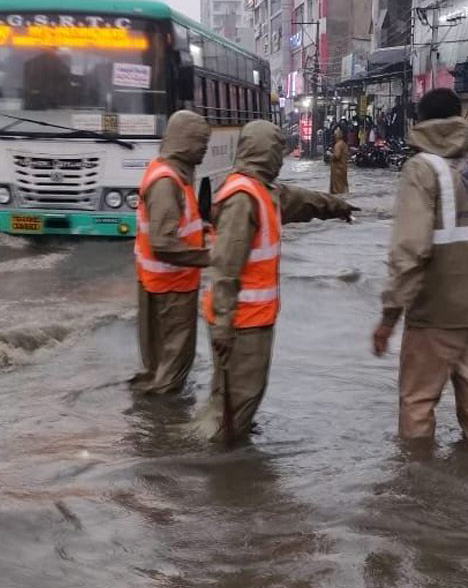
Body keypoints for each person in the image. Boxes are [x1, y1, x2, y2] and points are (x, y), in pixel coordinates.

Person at [372, 88, 468, 445]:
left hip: (435, 314)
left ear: (421, 122)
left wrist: (389, 317)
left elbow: (410, 249)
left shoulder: (421, 169)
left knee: (418, 404)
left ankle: (416, 488)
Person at [195, 120, 357, 443]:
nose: (281, 159)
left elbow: (304, 201)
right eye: (277, 151)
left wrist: (337, 207)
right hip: (240, 323)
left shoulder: (263, 191)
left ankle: (221, 448)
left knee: (239, 396)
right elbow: (226, 269)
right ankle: (217, 464)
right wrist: (225, 326)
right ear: (263, 152)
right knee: (236, 402)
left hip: (251, 321)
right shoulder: (243, 198)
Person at [131, 111, 213, 395]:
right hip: (171, 289)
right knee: (172, 366)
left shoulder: (171, 174)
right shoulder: (167, 182)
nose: (205, 148)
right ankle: (162, 425)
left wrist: (202, 229)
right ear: (185, 141)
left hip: (162, 285)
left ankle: (152, 410)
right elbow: (163, 243)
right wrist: (210, 257)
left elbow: (174, 227)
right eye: (201, 142)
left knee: (160, 364)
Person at [330, 127, 350, 194]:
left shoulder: (338, 145)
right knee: (344, 185)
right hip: (343, 168)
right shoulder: (344, 144)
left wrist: (330, 155)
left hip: (337, 169)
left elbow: (337, 156)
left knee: (337, 188)